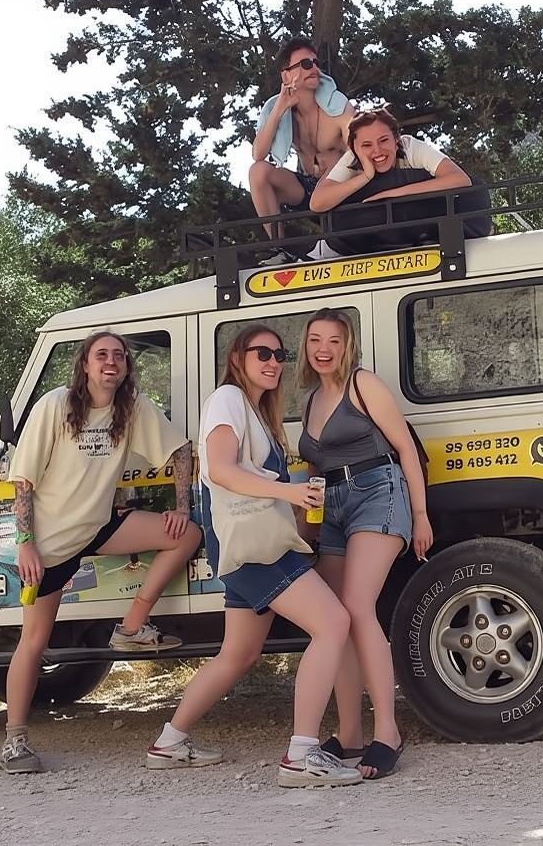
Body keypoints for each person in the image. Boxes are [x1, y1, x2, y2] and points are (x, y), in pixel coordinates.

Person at [144, 325, 363, 788]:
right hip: (257, 548)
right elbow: (222, 471)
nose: (273, 362)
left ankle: (169, 742)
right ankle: (301, 756)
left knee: (238, 654)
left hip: (247, 545)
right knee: (333, 623)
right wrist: (290, 492)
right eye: (262, 353)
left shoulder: (256, 412)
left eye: (280, 355)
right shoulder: (227, 398)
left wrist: (296, 509)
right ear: (237, 357)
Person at [0, 331, 202, 774]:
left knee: (185, 535)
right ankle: (15, 742)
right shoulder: (55, 405)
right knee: (34, 641)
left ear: (126, 367)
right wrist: (26, 543)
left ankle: (131, 627)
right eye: (101, 355)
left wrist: (181, 507)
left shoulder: (132, 407)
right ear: (85, 365)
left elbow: (181, 449)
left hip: (99, 526)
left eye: (119, 356)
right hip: (51, 545)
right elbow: (23, 481)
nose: (111, 362)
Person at [297, 308, 433, 779]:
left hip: (378, 492)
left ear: (347, 345)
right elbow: (315, 466)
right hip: (331, 507)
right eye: (316, 340)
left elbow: (406, 448)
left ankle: (388, 732)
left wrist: (420, 515)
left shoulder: (363, 384)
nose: (324, 349)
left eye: (334, 340)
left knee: (357, 607)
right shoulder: (310, 400)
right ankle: (350, 734)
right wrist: (309, 523)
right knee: (335, 618)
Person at [309, 107, 492, 254]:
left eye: (383, 140)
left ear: (396, 139)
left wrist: (393, 194)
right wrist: (366, 177)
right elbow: (317, 203)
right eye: (367, 145)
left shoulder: (410, 147)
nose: (377, 151)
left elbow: (460, 180)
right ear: (354, 147)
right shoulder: (351, 159)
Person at [250, 35, 355, 260]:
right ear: (286, 75)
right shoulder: (275, 109)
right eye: (306, 64)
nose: (314, 68)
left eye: (316, 63)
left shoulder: (337, 104)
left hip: (341, 189)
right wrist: (279, 109)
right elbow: (258, 154)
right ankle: (279, 249)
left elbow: (357, 151)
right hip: (308, 188)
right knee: (258, 172)